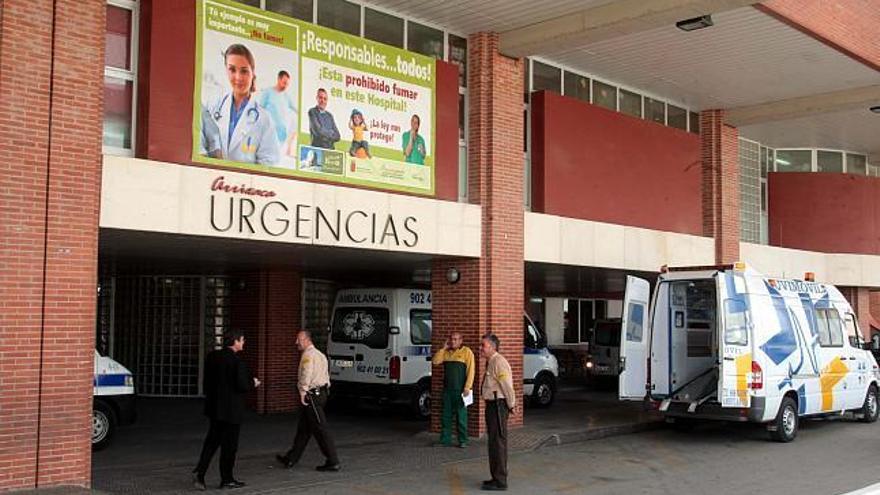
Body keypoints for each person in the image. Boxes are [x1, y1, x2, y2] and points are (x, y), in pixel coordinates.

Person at [192, 330, 261, 490]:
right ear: (235, 341)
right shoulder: (237, 362)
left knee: (211, 442)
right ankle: (227, 478)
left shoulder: (212, 357)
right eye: (242, 340)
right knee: (229, 446)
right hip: (231, 411)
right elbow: (242, 385)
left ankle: (200, 473)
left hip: (215, 408)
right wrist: (253, 383)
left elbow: (207, 381)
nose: (244, 343)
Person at [203, 44, 279, 165]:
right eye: (232, 70)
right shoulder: (212, 107)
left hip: (244, 183)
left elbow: (269, 163)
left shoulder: (264, 119)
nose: (238, 77)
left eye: (244, 71)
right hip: (213, 180)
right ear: (226, 70)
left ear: (252, 74)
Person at [276, 330, 341, 472]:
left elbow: (306, 373)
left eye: (298, 339)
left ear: (306, 340)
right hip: (321, 393)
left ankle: (333, 460)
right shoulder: (320, 354)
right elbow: (326, 375)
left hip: (312, 396)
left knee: (320, 429)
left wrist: (303, 391)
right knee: (304, 429)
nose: (296, 343)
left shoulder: (308, 355)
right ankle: (291, 458)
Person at [480, 332, 517, 491]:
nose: (481, 348)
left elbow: (507, 385)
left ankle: (501, 481)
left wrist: (511, 404)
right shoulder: (491, 361)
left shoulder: (499, 362)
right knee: (493, 443)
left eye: (484, 345)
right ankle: (495, 477)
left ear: (493, 347)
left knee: (498, 443)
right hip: (492, 405)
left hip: (498, 405)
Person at [431, 331, 475, 447]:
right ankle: (445, 440)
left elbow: (471, 371)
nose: (453, 341)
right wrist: (443, 348)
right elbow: (435, 362)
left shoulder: (467, 352)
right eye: (452, 339)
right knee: (446, 416)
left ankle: (463, 440)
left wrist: (467, 387)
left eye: (456, 339)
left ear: (461, 340)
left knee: (461, 417)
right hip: (447, 390)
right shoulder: (446, 353)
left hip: (461, 390)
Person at [257, 70, 298, 152]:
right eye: (284, 83)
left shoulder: (286, 96)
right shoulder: (267, 92)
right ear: (278, 79)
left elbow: (296, 109)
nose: (285, 86)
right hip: (269, 135)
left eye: (287, 84)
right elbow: (260, 110)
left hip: (281, 137)